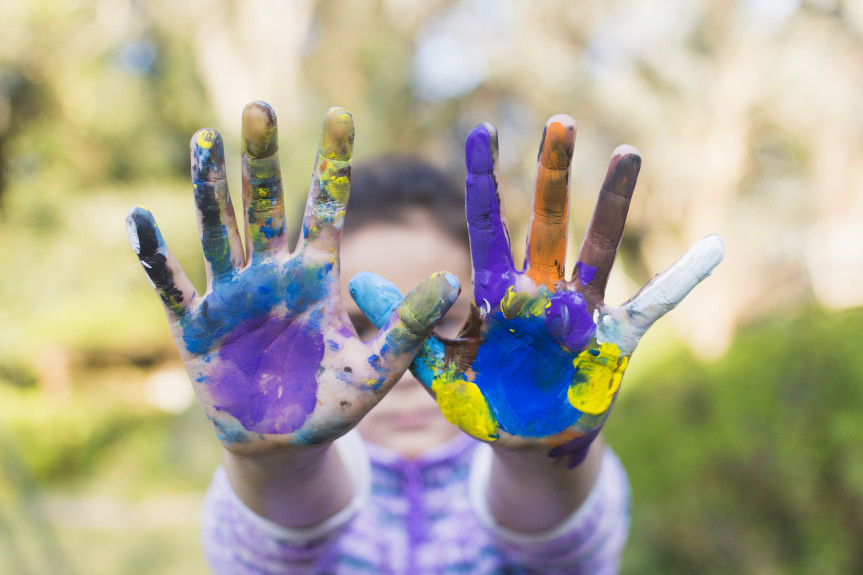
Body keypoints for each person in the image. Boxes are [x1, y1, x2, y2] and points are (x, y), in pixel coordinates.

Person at [125, 102, 724, 574]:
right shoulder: (300, 484)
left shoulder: (531, 480)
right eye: (360, 325)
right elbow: (271, 551)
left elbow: (561, 549)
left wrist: (542, 456)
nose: (402, 358)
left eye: (441, 319)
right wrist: (281, 464)